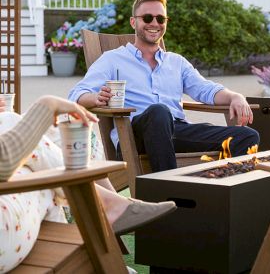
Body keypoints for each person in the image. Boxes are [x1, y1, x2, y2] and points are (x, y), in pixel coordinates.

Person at [69, 0, 259, 172]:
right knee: (159, 112)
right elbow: (76, 95)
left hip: (177, 131)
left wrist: (235, 96)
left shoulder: (176, 62)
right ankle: (167, 192)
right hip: (134, 136)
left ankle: (222, 197)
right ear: (133, 22)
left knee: (247, 136)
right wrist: (96, 98)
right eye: (147, 18)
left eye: (160, 19)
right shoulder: (112, 59)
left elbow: (205, 90)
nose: (154, 23)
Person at [0, 96, 176, 272]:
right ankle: (103, 203)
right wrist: (47, 104)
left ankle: (103, 204)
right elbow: (3, 161)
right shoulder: (109, 67)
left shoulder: (178, 68)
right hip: (5, 235)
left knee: (24, 134)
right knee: (13, 126)